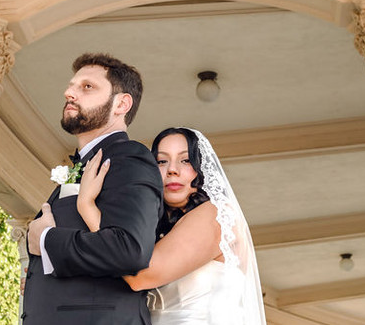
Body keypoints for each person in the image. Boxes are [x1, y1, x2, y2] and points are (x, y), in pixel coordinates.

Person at [22, 53, 164, 324]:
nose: (69, 93)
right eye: (72, 86)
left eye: (87, 87)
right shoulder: (85, 162)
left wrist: (46, 240)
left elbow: (129, 249)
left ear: (122, 103)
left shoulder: (128, 158)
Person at [77, 127, 267, 324]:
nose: (172, 170)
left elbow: (141, 277)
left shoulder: (216, 214)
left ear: (202, 168)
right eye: (161, 161)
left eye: (185, 160)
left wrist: (87, 206)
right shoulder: (160, 233)